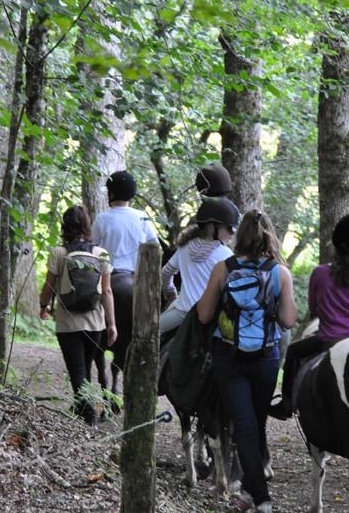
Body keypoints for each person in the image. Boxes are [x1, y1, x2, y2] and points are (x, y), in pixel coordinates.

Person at [196, 209, 297, 513]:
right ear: (269, 236)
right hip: (266, 356)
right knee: (255, 423)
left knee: (243, 425)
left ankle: (258, 497)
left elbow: (203, 315)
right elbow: (289, 320)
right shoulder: (280, 273)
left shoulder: (223, 269)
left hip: (229, 356)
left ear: (239, 236)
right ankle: (254, 493)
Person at [269, 213, 349, 420]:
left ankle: (286, 404)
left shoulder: (319, 274)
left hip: (329, 340)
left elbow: (314, 307)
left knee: (293, 351)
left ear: (335, 245)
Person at [39, 206, 116, 426]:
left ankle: (88, 414)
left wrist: (43, 306)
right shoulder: (102, 254)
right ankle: (85, 407)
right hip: (96, 323)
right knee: (84, 368)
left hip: (68, 324)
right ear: (87, 226)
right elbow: (107, 291)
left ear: (65, 226)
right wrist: (111, 324)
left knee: (78, 372)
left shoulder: (59, 253)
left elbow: (48, 286)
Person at [91, 170, 158, 392]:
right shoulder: (142, 218)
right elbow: (154, 247)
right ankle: (123, 380)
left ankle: (103, 380)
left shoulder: (102, 219)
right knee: (135, 333)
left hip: (107, 277)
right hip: (135, 280)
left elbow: (93, 251)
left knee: (97, 327)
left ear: (111, 193)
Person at [159, 197, 240, 338]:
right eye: (229, 229)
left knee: (150, 333)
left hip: (181, 313)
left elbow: (166, 272)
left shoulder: (184, 247)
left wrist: (170, 293)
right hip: (212, 316)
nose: (232, 234)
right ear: (213, 227)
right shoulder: (225, 254)